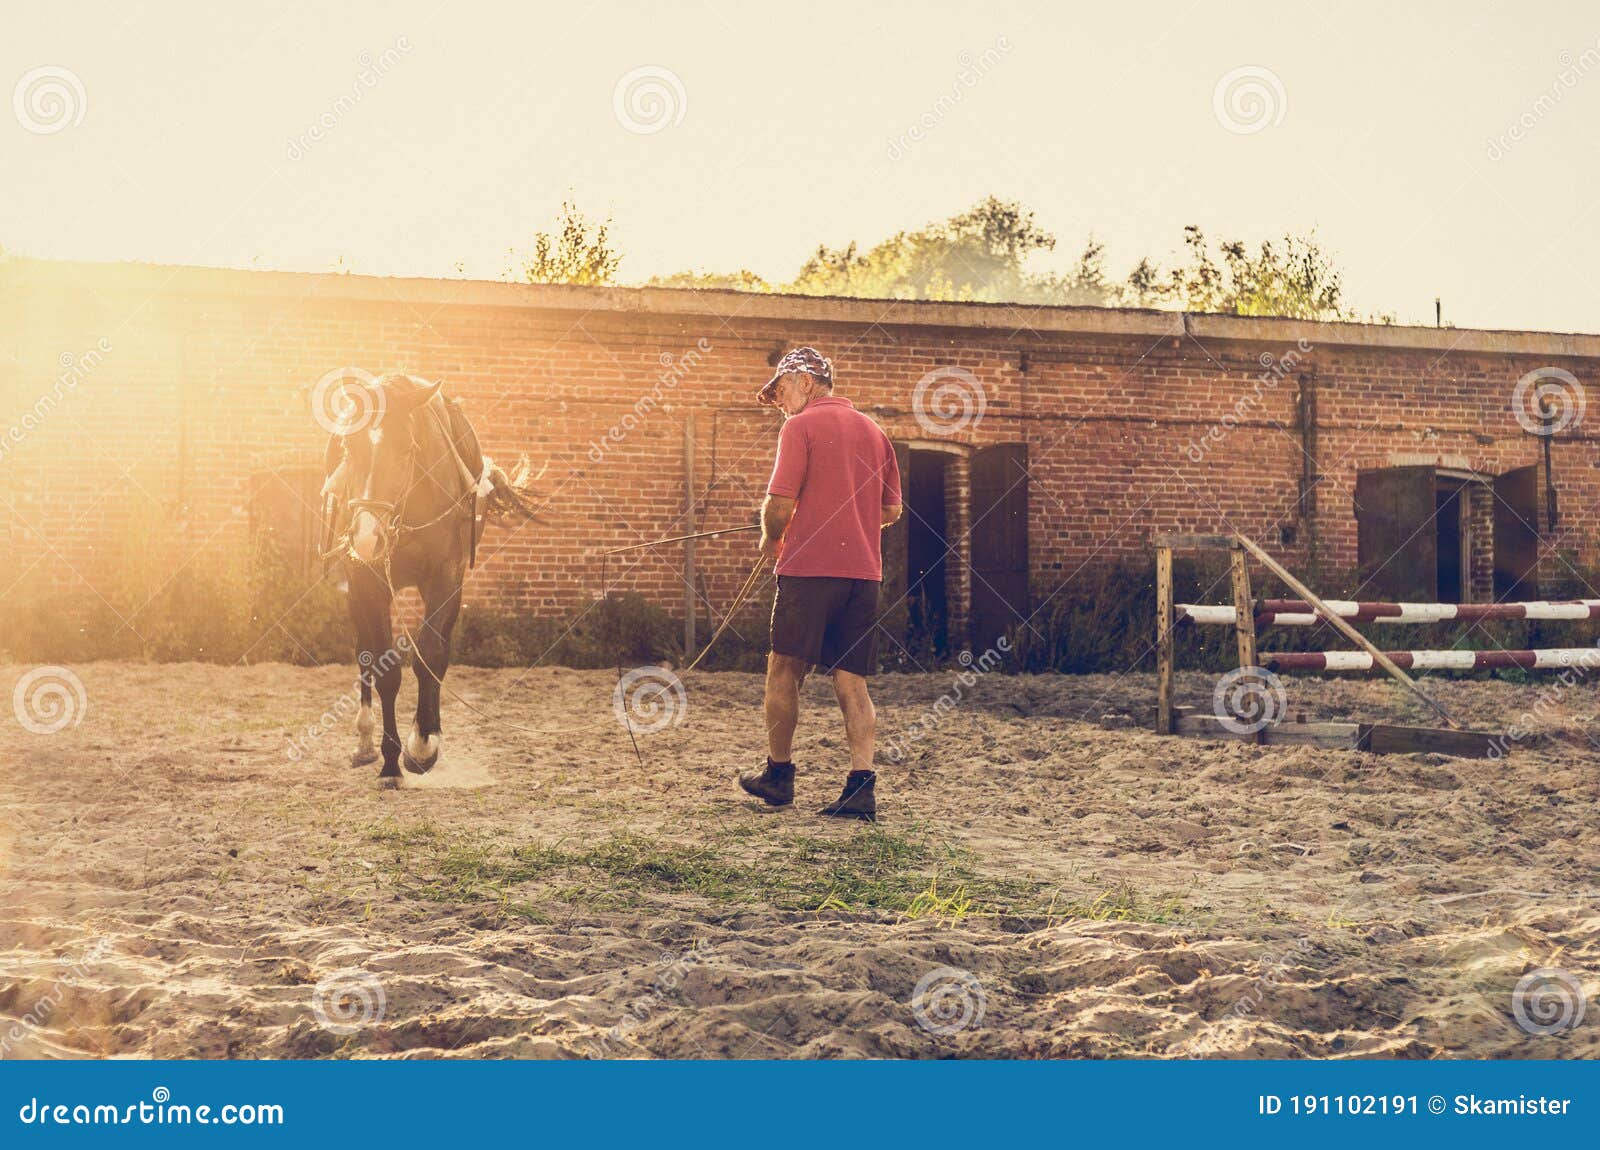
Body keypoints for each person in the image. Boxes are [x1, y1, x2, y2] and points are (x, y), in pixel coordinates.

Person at [738, 347, 902, 821]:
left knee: (784, 670)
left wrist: (770, 537)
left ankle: (779, 776)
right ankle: (860, 787)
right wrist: (849, 515)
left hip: (808, 571)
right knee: (852, 680)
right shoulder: (876, 432)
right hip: (862, 576)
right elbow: (891, 511)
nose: (782, 402)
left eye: (783, 390)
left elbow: (780, 502)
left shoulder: (801, 426)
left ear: (807, 382)